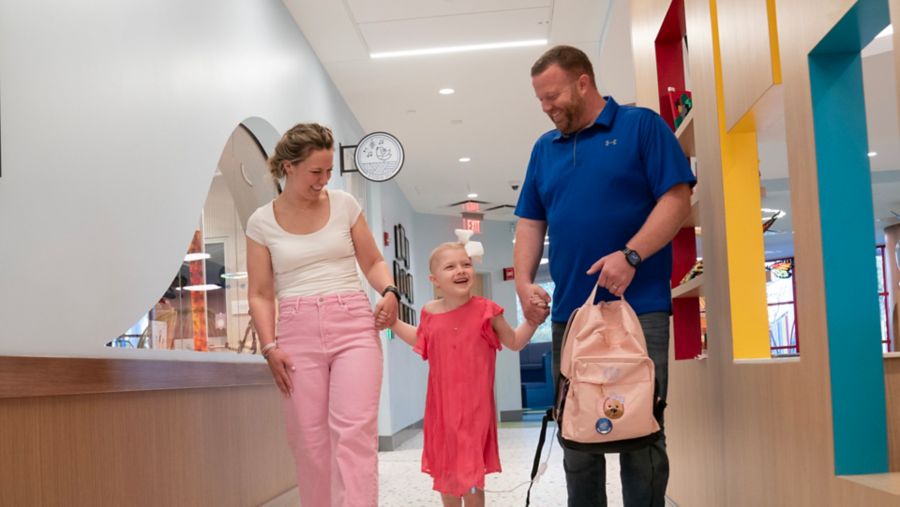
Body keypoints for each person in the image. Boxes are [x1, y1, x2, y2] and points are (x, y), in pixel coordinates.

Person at [514, 45, 695, 507]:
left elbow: (675, 200)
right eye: (539, 99)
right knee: (575, 433)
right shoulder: (542, 148)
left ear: (583, 82)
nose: (546, 107)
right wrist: (523, 282)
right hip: (571, 314)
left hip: (640, 307)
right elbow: (531, 222)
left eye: (552, 95)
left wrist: (631, 256)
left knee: (642, 428)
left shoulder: (641, 127)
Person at [246, 123, 399, 507]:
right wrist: (268, 346)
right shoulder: (261, 222)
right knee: (309, 442)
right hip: (296, 332)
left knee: (354, 434)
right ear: (287, 167)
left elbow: (373, 260)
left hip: (352, 323)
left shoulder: (345, 205)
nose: (324, 179)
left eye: (329, 170)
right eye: (316, 171)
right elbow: (261, 294)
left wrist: (390, 291)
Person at [390, 241, 542, 507]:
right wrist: (392, 322)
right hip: (441, 412)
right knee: (447, 474)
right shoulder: (429, 313)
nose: (461, 270)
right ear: (435, 280)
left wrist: (533, 321)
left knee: (471, 477)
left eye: (466, 264)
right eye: (450, 267)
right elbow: (418, 337)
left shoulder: (487, 311)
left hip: (475, 412)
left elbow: (514, 342)